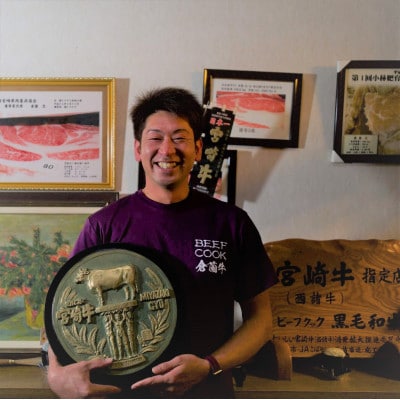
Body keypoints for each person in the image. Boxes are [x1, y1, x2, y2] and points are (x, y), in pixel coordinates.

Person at [47, 87, 277, 398]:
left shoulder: (232, 223)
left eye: (180, 138)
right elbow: (62, 307)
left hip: (207, 391)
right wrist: (55, 374)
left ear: (198, 148)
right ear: (138, 148)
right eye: (155, 138)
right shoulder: (103, 224)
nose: (167, 150)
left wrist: (210, 365)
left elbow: (261, 321)